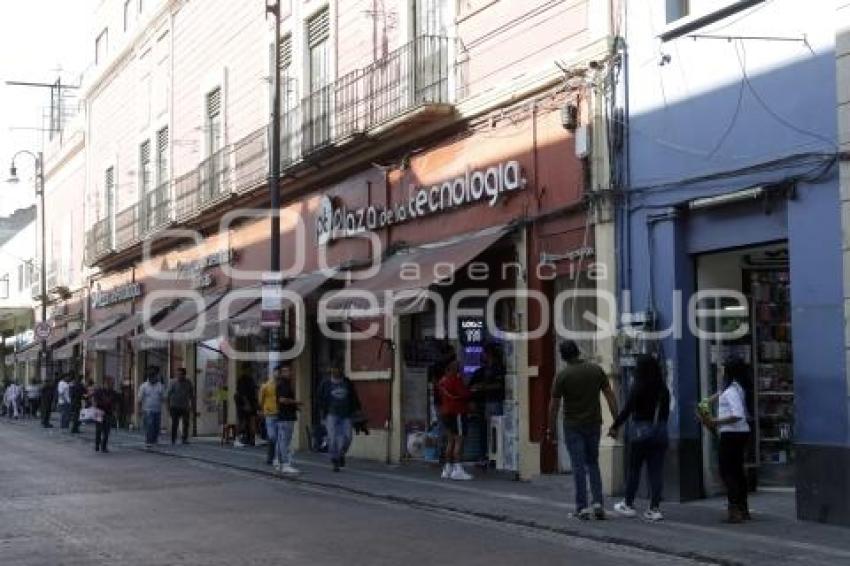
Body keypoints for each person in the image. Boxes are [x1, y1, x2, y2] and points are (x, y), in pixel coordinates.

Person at [547, 340, 618, 520]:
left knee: (578, 467)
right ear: (578, 352)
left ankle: (582, 507)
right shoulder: (595, 370)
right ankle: (598, 504)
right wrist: (616, 421)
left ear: (563, 356)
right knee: (593, 463)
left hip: (573, 425)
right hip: (594, 423)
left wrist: (551, 429)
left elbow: (553, 406)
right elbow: (609, 394)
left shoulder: (562, 376)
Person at [609, 354, 671, 522]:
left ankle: (628, 504)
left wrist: (615, 426)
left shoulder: (638, 386)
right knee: (656, 472)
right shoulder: (663, 389)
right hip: (660, 433)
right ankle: (654, 508)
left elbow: (627, 410)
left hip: (641, 433)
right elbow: (665, 413)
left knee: (634, 469)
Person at [698, 358, 752, 524]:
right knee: (737, 471)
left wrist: (714, 421)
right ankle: (743, 508)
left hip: (731, 434)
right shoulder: (735, 388)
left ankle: (734, 509)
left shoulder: (731, 392)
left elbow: (737, 415)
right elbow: (714, 397)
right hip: (740, 433)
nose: (720, 373)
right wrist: (706, 403)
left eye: (722, 370)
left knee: (727, 472)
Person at [317, 367, 362, 472]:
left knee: (348, 438)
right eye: (334, 371)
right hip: (331, 415)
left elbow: (354, 397)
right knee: (332, 439)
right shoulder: (326, 383)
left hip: (346, 415)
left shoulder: (347, 382)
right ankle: (335, 460)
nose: (336, 373)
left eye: (338, 371)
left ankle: (341, 454)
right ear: (331, 372)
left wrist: (357, 410)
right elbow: (319, 399)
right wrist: (322, 414)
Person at [469, 343, 506, 464]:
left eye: (484, 353)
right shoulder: (483, 370)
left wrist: (482, 387)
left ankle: (493, 455)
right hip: (486, 402)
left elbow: (499, 384)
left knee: (493, 429)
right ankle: (487, 454)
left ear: (489, 354)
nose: (482, 355)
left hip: (494, 401)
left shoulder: (497, 368)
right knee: (486, 429)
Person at [438, 356, 473, 481]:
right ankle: (458, 469)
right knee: (459, 441)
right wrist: (470, 390)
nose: (461, 369)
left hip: (446, 412)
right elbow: (464, 394)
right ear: (455, 369)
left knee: (450, 441)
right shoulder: (455, 380)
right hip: (457, 412)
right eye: (459, 367)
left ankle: (447, 469)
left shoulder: (442, 381)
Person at [275, 363, 301, 474]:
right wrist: (296, 402)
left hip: (284, 416)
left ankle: (279, 462)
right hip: (286, 417)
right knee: (285, 441)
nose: (288, 373)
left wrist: (295, 406)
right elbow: (282, 400)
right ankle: (285, 464)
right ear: (281, 373)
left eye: (289, 371)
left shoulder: (283, 384)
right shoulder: (283, 385)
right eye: (285, 371)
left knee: (281, 440)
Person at [138, 367, 165, 448]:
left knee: (156, 426)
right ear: (149, 377)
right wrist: (139, 410)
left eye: (154, 376)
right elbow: (139, 399)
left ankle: (154, 440)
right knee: (150, 426)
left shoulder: (160, 385)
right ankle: (149, 441)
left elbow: (163, 397)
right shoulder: (144, 386)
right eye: (151, 376)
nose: (154, 378)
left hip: (157, 409)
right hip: (148, 410)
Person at [166, 368, 194, 445]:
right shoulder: (173, 382)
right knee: (175, 423)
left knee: (186, 422)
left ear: (184, 375)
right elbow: (168, 395)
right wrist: (168, 406)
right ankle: (173, 439)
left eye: (181, 374)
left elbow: (191, 395)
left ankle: (184, 438)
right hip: (174, 406)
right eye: (178, 374)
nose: (179, 376)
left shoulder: (188, 382)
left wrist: (192, 405)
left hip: (185, 406)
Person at [92, 376, 120, 453]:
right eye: (110, 383)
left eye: (112, 383)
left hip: (108, 413)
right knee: (98, 430)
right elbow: (94, 401)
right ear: (105, 383)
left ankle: (104, 446)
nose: (111, 385)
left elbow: (116, 403)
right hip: (99, 412)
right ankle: (97, 445)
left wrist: (115, 411)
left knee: (106, 431)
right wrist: (95, 408)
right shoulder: (99, 391)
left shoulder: (113, 393)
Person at [258, 367, 279, 465]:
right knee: (272, 436)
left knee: (279, 437)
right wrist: (262, 410)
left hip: (280, 414)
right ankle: (271, 457)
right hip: (270, 414)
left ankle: (275, 458)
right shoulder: (266, 386)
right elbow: (261, 400)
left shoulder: (282, 385)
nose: (278, 374)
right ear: (273, 373)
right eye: (277, 372)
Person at [234, 371, 258, 447]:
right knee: (243, 421)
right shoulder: (246, 380)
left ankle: (251, 439)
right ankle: (239, 439)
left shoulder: (248, 380)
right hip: (245, 403)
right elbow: (243, 393)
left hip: (248, 403)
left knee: (248, 421)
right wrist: (247, 404)